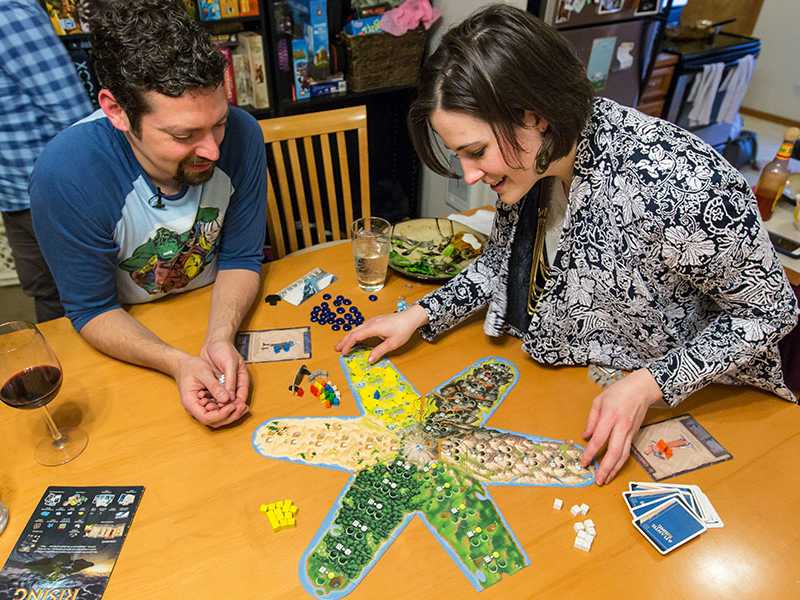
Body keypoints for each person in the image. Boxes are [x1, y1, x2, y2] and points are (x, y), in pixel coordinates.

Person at [337, 4, 799, 485]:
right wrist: (418, 315)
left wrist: (649, 384)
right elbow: (498, 265)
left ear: (536, 117)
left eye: (476, 152)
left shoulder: (681, 181)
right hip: (579, 386)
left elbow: (771, 312)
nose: (470, 174)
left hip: (692, 410)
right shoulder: (535, 163)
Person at [30, 0, 266, 428]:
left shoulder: (245, 134)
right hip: (129, 342)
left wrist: (219, 337)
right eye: (183, 134)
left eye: (218, 122)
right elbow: (92, 309)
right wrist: (176, 363)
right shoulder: (66, 174)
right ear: (117, 110)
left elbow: (241, 257)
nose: (213, 150)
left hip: (207, 312)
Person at [0, 1, 93, 322]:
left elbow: (73, 116)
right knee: (46, 294)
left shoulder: (8, 13)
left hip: (54, 194)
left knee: (83, 299)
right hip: (14, 197)